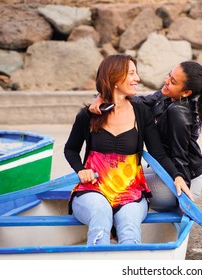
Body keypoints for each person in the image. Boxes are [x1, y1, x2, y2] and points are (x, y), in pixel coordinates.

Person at [64, 54, 191, 245]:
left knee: (129, 228)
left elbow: (159, 154)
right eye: (131, 73)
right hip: (93, 190)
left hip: (131, 191)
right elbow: (70, 149)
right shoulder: (88, 115)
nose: (137, 78)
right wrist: (81, 170)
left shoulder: (141, 112)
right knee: (101, 216)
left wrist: (177, 176)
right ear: (115, 78)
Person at [90, 61, 202, 211]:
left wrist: (183, 197)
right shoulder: (166, 96)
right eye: (169, 75)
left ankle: (115, 229)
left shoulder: (179, 113)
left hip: (180, 180)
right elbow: (139, 102)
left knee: (115, 184)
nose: (166, 81)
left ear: (186, 93)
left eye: (173, 81)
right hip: (164, 168)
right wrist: (104, 97)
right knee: (108, 174)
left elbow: (180, 156)